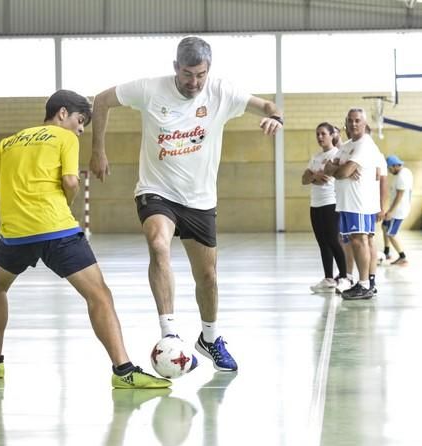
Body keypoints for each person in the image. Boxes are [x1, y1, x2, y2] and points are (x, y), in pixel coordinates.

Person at [0, 89, 170, 389]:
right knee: (99, 296)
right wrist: (69, 199)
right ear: (62, 113)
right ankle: (124, 371)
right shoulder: (65, 138)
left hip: (14, 237)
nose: (80, 130)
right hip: (57, 232)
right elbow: (70, 181)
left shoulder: (10, 142)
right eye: (80, 121)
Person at [89, 36, 284, 372]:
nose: (194, 82)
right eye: (188, 74)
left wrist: (276, 118)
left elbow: (268, 105)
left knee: (207, 276)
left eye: (201, 75)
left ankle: (209, 337)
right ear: (175, 68)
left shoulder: (221, 92)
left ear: (209, 71)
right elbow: (101, 100)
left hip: (199, 200)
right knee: (158, 244)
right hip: (156, 191)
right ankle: (170, 334)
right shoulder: (150, 89)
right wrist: (98, 150)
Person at [324, 108, 381, 300]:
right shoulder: (347, 145)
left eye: (357, 120)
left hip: (359, 203)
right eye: (350, 120)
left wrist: (340, 168)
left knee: (360, 241)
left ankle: (364, 285)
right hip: (347, 203)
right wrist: (341, 167)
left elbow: (339, 173)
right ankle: (362, 282)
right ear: (346, 123)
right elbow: (328, 166)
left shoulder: (365, 145)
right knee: (353, 242)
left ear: (364, 124)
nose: (353, 124)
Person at [302, 122, 347, 293]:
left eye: (323, 134)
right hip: (316, 204)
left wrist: (315, 175)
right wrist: (315, 175)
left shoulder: (337, 154)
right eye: (317, 134)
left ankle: (344, 277)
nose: (320, 137)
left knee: (333, 241)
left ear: (331, 135)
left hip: (331, 202)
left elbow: (330, 175)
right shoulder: (315, 157)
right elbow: (304, 179)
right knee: (322, 242)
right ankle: (328, 278)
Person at [382, 155, 413, 266]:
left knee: (391, 234)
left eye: (390, 168)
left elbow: (399, 196)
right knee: (384, 226)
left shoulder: (401, 176)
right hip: (399, 208)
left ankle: (402, 257)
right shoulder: (405, 171)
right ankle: (386, 252)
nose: (389, 171)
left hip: (398, 211)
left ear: (395, 166)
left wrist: (390, 211)